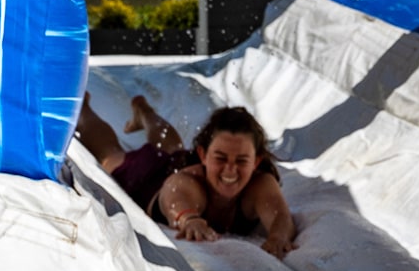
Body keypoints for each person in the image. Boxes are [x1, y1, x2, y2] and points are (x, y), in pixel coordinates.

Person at [77, 96, 297, 256]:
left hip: (180, 162)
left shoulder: (259, 184)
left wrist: (278, 237)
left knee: (172, 147)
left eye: (241, 161)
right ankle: (83, 108)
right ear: (202, 154)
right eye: (220, 158)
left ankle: (145, 112)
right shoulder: (188, 181)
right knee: (110, 156)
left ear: (256, 161)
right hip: (150, 178)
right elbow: (174, 196)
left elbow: (280, 217)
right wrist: (188, 218)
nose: (230, 169)